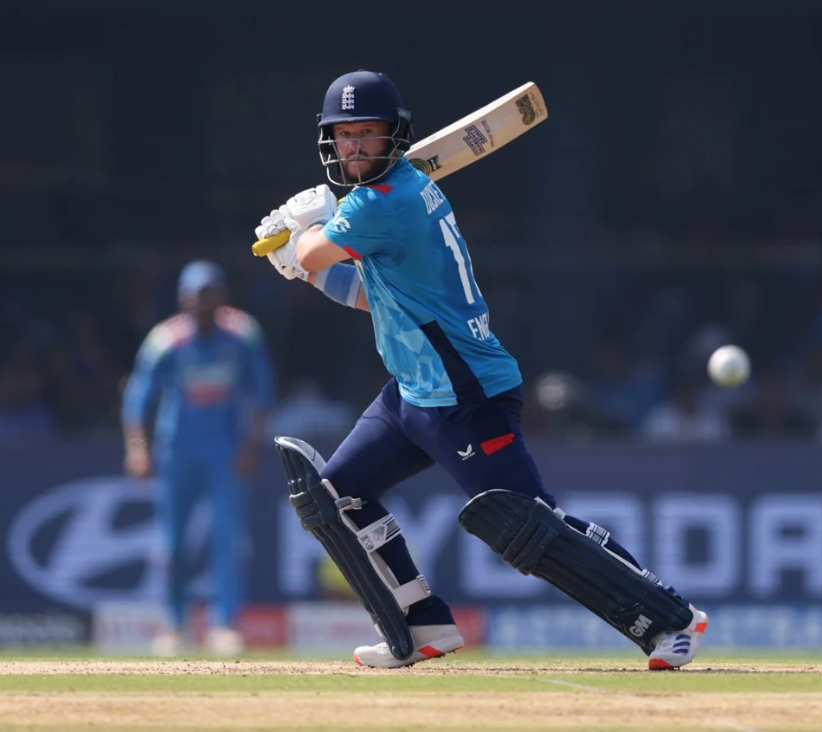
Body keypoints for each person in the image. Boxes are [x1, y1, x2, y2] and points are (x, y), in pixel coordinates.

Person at [255, 70, 708, 670]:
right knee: (337, 499)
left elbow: (318, 246)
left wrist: (307, 235)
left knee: (526, 526)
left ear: (394, 135)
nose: (356, 146)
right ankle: (422, 625)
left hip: (466, 394)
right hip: (412, 393)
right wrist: (308, 266)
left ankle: (671, 618)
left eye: (368, 133)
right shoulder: (389, 200)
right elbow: (370, 294)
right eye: (344, 136)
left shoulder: (386, 201)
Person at [121, 260, 275, 657]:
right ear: (183, 297)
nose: (204, 301)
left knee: (228, 540)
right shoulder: (166, 339)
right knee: (173, 544)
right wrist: (137, 449)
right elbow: (137, 397)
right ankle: (175, 624)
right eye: (196, 293)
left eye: (211, 292)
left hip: (225, 451)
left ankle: (226, 624)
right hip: (177, 452)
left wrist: (249, 447)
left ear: (223, 295)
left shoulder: (243, 334)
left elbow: (262, 394)